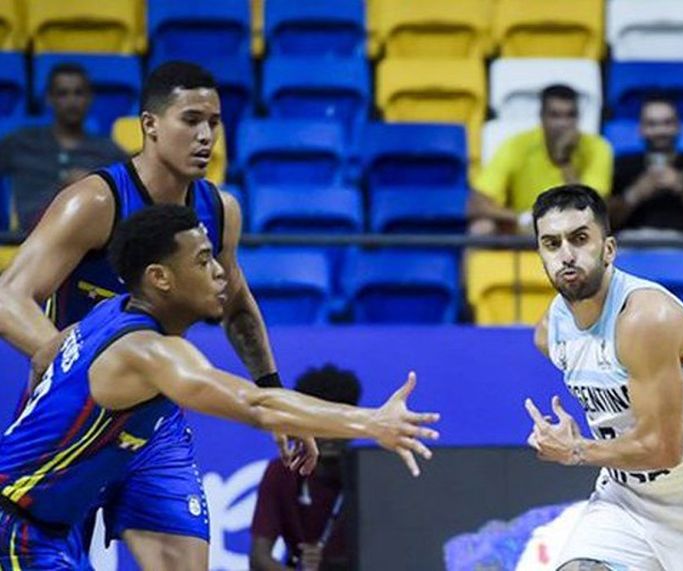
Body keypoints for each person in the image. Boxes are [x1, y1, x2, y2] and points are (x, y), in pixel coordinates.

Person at [0, 61, 318, 568]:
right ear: (149, 125)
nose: (205, 135)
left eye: (213, 122)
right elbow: (8, 295)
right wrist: (62, 358)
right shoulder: (95, 201)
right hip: (80, 415)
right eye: (190, 120)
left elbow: (236, 306)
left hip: (153, 420)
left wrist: (275, 391)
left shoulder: (219, 210)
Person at [0, 205, 438, 569]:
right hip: (16, 532)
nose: (220, 272)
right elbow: (257, 404)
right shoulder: (148, 353)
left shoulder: (108, 313)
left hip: (44, 530)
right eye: (203, 260)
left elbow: (44, 358)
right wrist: (373, 422)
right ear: (160, 278)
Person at [523, 184, 683, 570]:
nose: (567, 255)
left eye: (579, 239)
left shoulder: (645, 317)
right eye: (552, 243)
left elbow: (664, 449)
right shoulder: (551, 331)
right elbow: (637, 404)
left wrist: (576, 449)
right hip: (626, 497)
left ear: (608, 249)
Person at [250, 365, 364, 571]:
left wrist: (334, 564)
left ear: (353, 428)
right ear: (304, 426)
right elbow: (259, 559)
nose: (329, 435)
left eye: (337, 424)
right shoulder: (282, 472)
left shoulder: (371, 475)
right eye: (320, 424)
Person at [469, 85, 614, 235]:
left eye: (570, 115)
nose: (563, 124)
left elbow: (592, 212)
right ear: (542, 117)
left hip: (573, 234)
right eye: (555, 115)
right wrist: (524, 219)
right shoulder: (517, 146)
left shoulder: (597, 148)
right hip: (525, 233)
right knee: (481, 227)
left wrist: (564, 161)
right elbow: (476, 204)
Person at [0, 63, 127, 231]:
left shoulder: (110, 152)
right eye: (62, 94)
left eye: (78, 93)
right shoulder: (20, 142)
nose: (71, 101)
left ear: (90, 98)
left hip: (89, 240)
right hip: (28, 239)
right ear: (49, 99)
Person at [608, 96, 683, 235]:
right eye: (652, 124)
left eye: (667, 123)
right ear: (641, 129)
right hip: (635, 244)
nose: (660, 131)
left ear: (678, 127)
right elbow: (605, 222)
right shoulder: (622, 166)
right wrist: (635, 194)